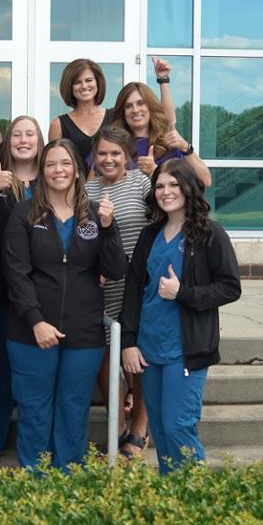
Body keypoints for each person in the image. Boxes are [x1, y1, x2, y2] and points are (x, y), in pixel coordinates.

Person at [4, 139, 128, 470]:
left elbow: (115, 270)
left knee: (73, 409)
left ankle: (68, 482)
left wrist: (108, 228)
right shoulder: (24, 213)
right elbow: (16, 272)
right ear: (42, 172)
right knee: (34, 409)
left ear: (76, 170)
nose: (58, 170)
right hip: (31, 332)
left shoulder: (93, 214)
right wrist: (36, 321)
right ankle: (35, 482)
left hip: (83, 332)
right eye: (50, 164)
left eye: (65, 163)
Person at [121, 160, 240, 474]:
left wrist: (183, 292)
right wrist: (129, 342)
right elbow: (133, 290)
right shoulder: (149, 235)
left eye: (174, 184)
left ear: (189, 187)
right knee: (158, 428)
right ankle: (170, 500)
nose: (166, 191)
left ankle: (194, 500)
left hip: (186, 349)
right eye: (160, 185)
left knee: (178, 427)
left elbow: (230, 288)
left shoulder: (209, 233)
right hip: (149, 347)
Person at [0, 115, 44, 466]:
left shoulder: (52, 178)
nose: (23, 140)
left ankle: (40, 443)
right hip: (0, 292)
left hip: (44, 295)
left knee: (36, 375)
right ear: (6, 141)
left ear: (40, 140)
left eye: (30, 134)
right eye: (17, 134)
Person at [85, 126, 152, 458]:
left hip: (137, 287)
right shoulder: (86, 189)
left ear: (127, 156)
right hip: (103, 288)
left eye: (115, 153)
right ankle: (117, 430)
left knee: (134, 364)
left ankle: (139, 432)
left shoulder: (141, 183)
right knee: (104, 367)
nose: (108, 159)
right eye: (102, 153)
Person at [108, 58, 211, 187]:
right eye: (128, 106)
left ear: (150, 107)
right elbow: (92, 188)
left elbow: (205, 181)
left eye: (141, 103)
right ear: (122, 112)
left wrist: (185, 147)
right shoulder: (112, 145)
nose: (135, 110)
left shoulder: (168, 143)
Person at [48, 59, 112, 170]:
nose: (84, 86)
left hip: (112, 187)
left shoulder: (113, 117)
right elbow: (54, 164)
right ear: (69, 86)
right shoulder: (58, 125)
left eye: (89, 80)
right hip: (75, 187)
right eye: (77, 82)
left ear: (98, 82)